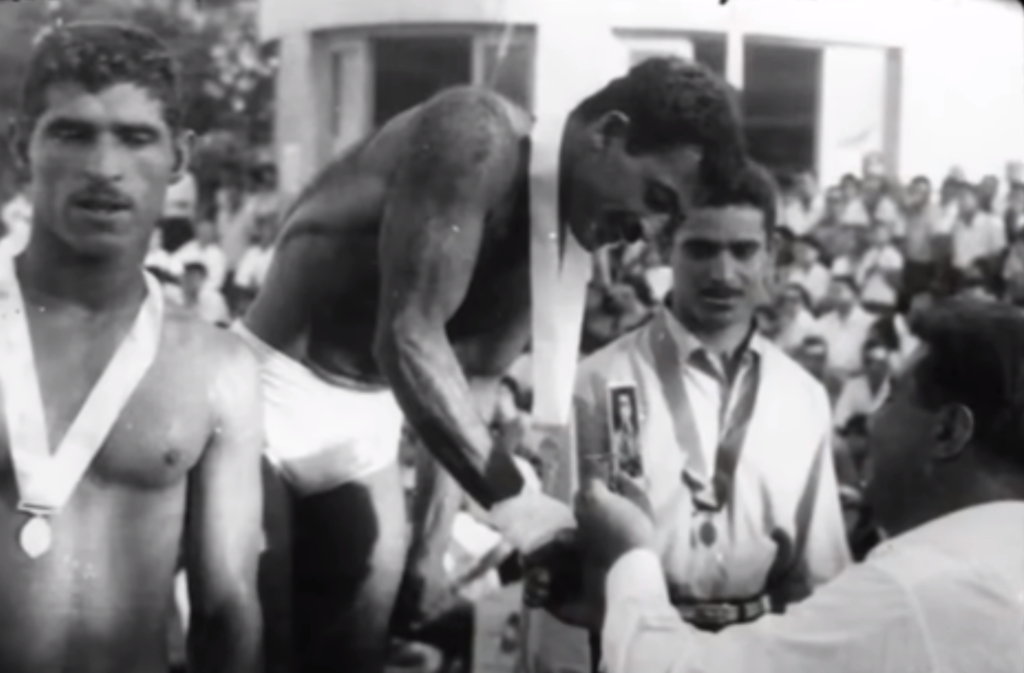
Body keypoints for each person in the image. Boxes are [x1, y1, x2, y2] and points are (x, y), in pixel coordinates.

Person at [241, 56, 749, 672]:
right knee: (252, 645)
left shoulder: (560, 233)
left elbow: (470, 380)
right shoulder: (475, 135)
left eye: (670, 220)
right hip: (267, 391)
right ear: (608, 133)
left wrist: (429, 551)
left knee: (350, 657)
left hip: (367, 423)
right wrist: (530, 518)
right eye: (657, 199)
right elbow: (407, 338)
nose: (647, 233)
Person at [560, 300, 1024, 673]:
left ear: (948, 432)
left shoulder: (907, 591)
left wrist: (629, 557)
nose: (871, 421)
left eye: (891, 397)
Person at [0, 22, 263, 673]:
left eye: (136, 137)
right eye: (72, 133)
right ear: (19, 145)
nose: (104, 168)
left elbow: (227, 607)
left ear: (179, 156)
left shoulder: (217, 368)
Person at [541, 164, 849, 642]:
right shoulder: (600, 381)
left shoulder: (801, 396)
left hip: (760, 649)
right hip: (638, 643)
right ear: (666, 247)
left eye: (743, 250)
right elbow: (562, 558)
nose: (722, 274)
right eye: (701, 249)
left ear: (771, 252)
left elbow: (818, 572)